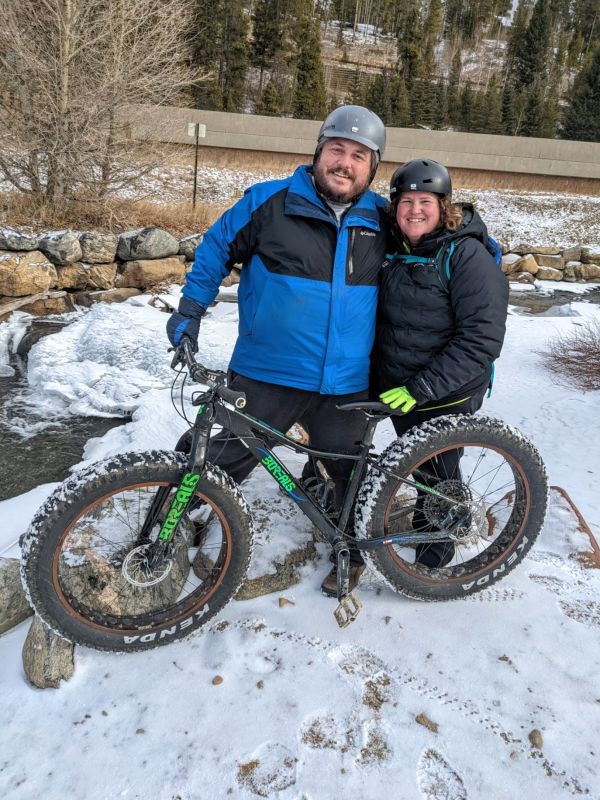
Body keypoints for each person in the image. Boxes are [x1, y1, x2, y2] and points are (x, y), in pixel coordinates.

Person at [166, 105, 388, 597]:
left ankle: (347, 546)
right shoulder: (269, 202)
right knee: (227, 453)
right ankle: (176, 516)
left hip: (346, 380)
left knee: (346, 474)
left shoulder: (383, 218)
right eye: (336, 149)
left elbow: (441, 247)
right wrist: (191, 309)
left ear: (373, 168)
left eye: (358, 155)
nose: (344, 163)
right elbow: (216, 246)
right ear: (317, 152)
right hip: (269, 369)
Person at [376, 159, 509, 569]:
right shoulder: (396, 247)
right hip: (396, 380)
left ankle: (433, 561)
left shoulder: (465, 255)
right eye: (406, 201)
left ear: (443, 206)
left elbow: (481, 339)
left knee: (436, 479)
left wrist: (422, 388)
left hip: (445, 390)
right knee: (399, 462)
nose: (415, 209)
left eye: (425, 201)